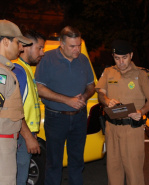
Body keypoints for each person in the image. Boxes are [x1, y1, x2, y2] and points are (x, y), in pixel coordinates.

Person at [35, 26, 95, 185]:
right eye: (72, 46)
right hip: (55, 118)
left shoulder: (83, 60)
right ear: (61, 44)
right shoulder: (47, 58)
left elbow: (91, 86)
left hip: (79, 118)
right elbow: (40, 89)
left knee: (77, 161)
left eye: (79, 45)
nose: (77, 50)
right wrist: (67, 100)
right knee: (54, 163)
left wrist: (84, 96)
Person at [96, 40, 149, 185]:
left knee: (133, 170)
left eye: (124, 57)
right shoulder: (108, 72)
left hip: (132, 129)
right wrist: (106, 100)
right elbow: (100, 94)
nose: (121, 62)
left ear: (131, 55)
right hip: (112, 128)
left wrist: (141, 111)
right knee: (113, 169)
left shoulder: (142, 74)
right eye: (117, 58)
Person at [0, 19, 32, 185]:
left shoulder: (5, 70)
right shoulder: (1, 74)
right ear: (5, 41)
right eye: (18, 42)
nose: (21, 48)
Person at [13, 30, 46, 185]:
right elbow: (14, 109)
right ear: (25, 46)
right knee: (18, 178)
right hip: (20, 136)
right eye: (39, 48)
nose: (43, 52)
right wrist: (28, 137)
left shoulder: (26, 69)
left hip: (23, 134)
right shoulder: (18, 70)